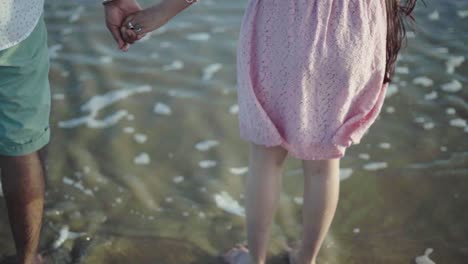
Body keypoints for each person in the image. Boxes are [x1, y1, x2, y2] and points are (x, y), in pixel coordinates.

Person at [114, 0, 418, 263]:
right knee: (324, 164)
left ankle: (254, 259)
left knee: (266, 159)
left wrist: (160, 12)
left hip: (283, 24)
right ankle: (306, 259)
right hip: (356, 31)